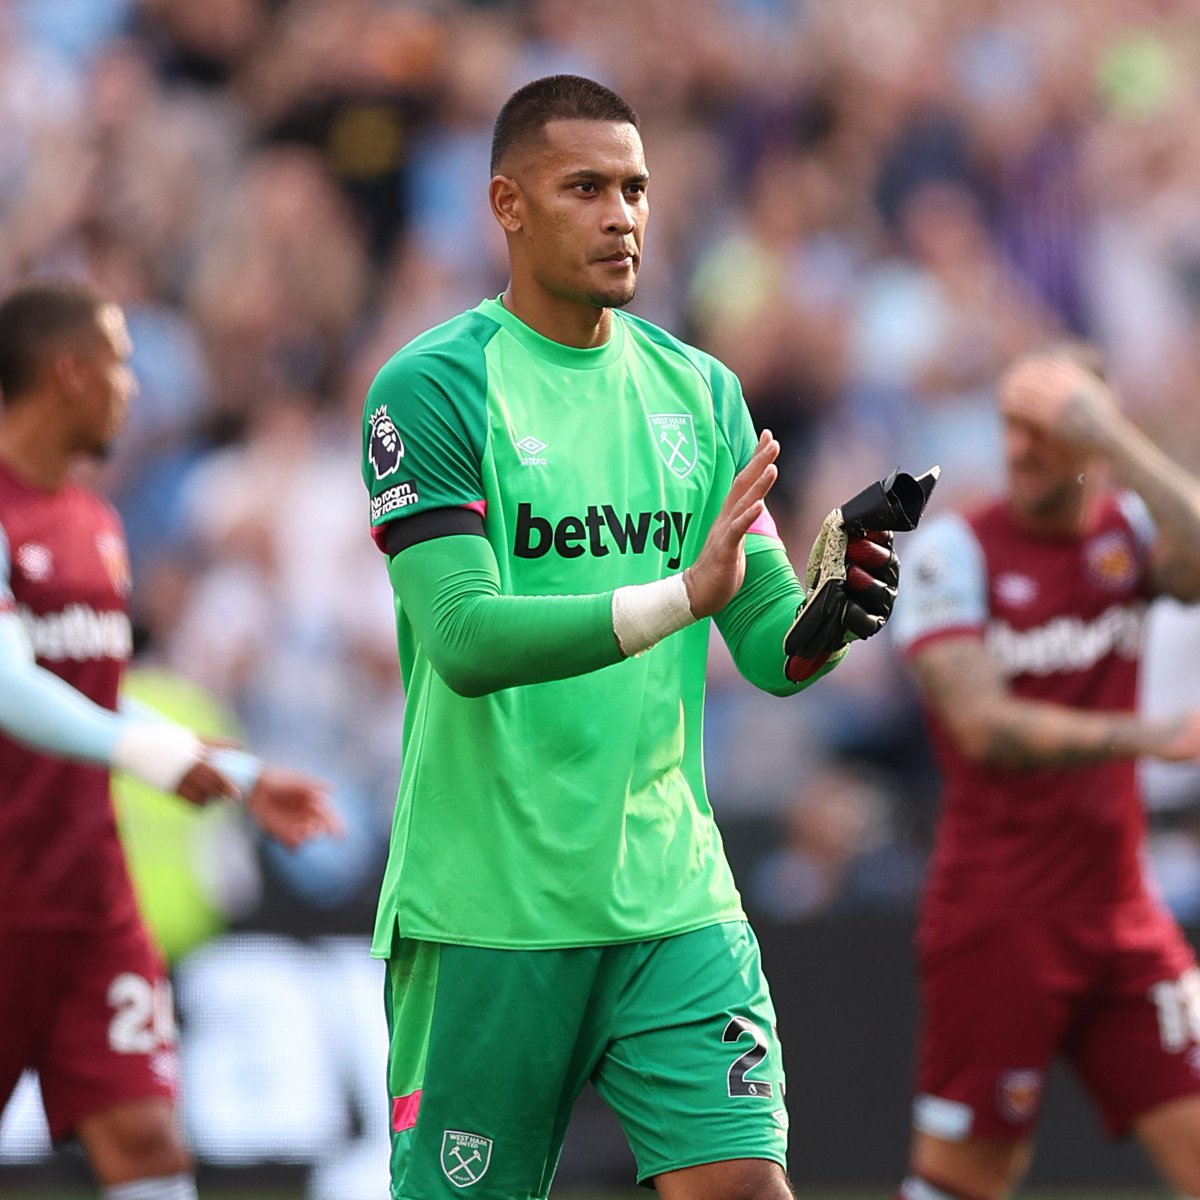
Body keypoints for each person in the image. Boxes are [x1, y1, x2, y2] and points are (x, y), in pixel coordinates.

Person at [360, 74, 912, 1200]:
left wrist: (833, 610)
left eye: (637, 188)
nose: (623, 214)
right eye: (586, 187)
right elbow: (464, 637)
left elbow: (764, 642)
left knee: (745, 1186)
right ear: (508, 205)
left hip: (671, 894)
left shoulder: (698, 392)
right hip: (489, 910)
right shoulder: (431, 387)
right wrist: (679, 596)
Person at [0, 278, 342, 1200]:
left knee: (148, 1141)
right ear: (69, 374)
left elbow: (95, 696)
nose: (133, 385)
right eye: (119, 362)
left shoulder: (96, 526)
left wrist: (231, 771)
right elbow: (7, 686)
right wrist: (161, 758)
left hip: (87, 900)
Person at [889, 343, 1200, 1200]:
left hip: (1124, 916)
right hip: (1000, 918)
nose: (1020, 448)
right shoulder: (953, 554)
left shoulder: (1130, 535)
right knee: (961, 1183)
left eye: (1048, 431)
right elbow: (984, 728)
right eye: (1011, 426)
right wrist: (1145, 733)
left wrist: (1111, 434)